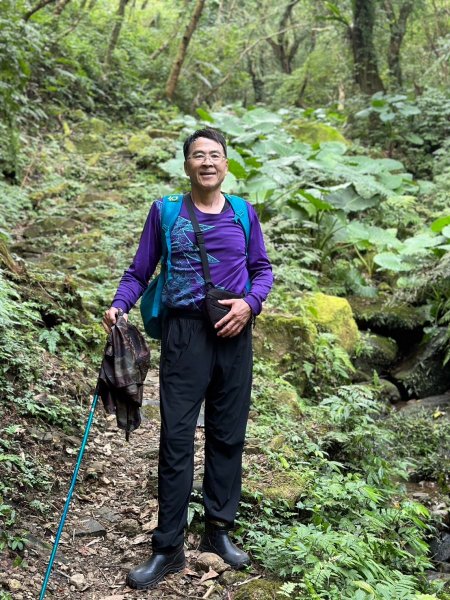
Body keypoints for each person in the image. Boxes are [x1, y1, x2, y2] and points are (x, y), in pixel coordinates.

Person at [102, 128, 273, 590]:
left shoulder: (243, 213)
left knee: (227, 434)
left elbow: (262, 270)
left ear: (226, 164)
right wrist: (119, 303)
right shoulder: (166, 212)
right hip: (183, 335)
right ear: (187, 165)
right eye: (198, 155)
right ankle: (168, 547)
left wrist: (249, 305)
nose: (207, 162)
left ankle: (218, 531)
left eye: (215, 155)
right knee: (176, 439)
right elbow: (140, 270)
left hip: (235, 333)